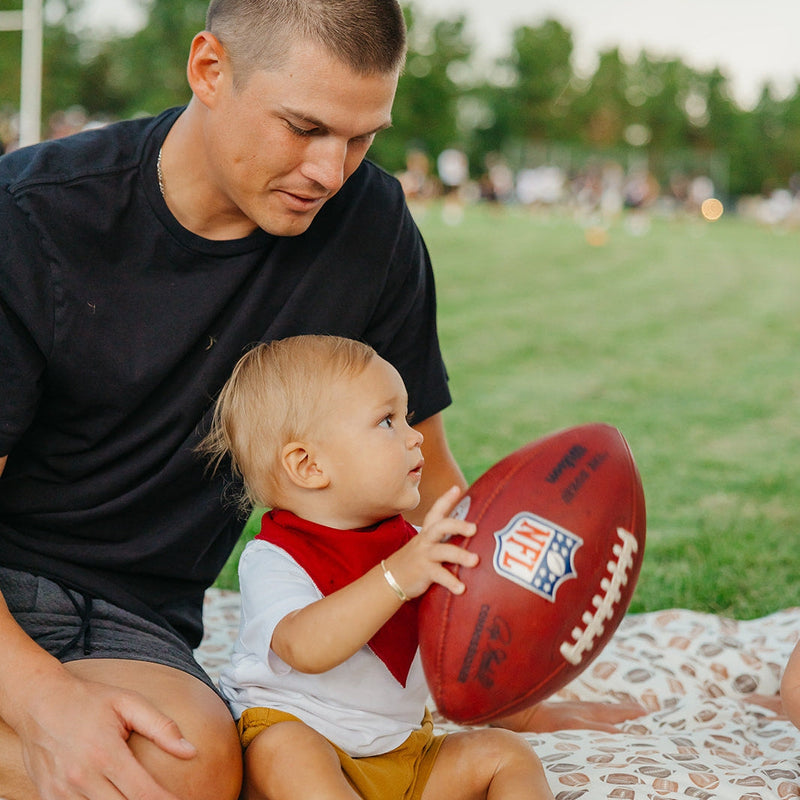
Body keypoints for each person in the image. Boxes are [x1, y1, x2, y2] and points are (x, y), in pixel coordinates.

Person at [0, 1, 640, 798]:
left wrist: (508, 676)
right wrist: (38, 701)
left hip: (138, 615)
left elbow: (432, 479)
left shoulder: (366, 228)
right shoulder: (34, 217)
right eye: (304, 127)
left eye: (361, 135)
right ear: (209, 69)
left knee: (184, 765)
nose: (332, 172)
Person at [202, 334, 554, 800]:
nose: (414, 436)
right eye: (388, 420)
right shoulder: (274, 557)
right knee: (283, 753)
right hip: (305, 741)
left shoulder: (413, 547)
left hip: (404, 752)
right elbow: (304, 646)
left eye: (407, 416)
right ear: (308, 465)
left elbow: (464, 634)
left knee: (506, 754)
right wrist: (397, 578)